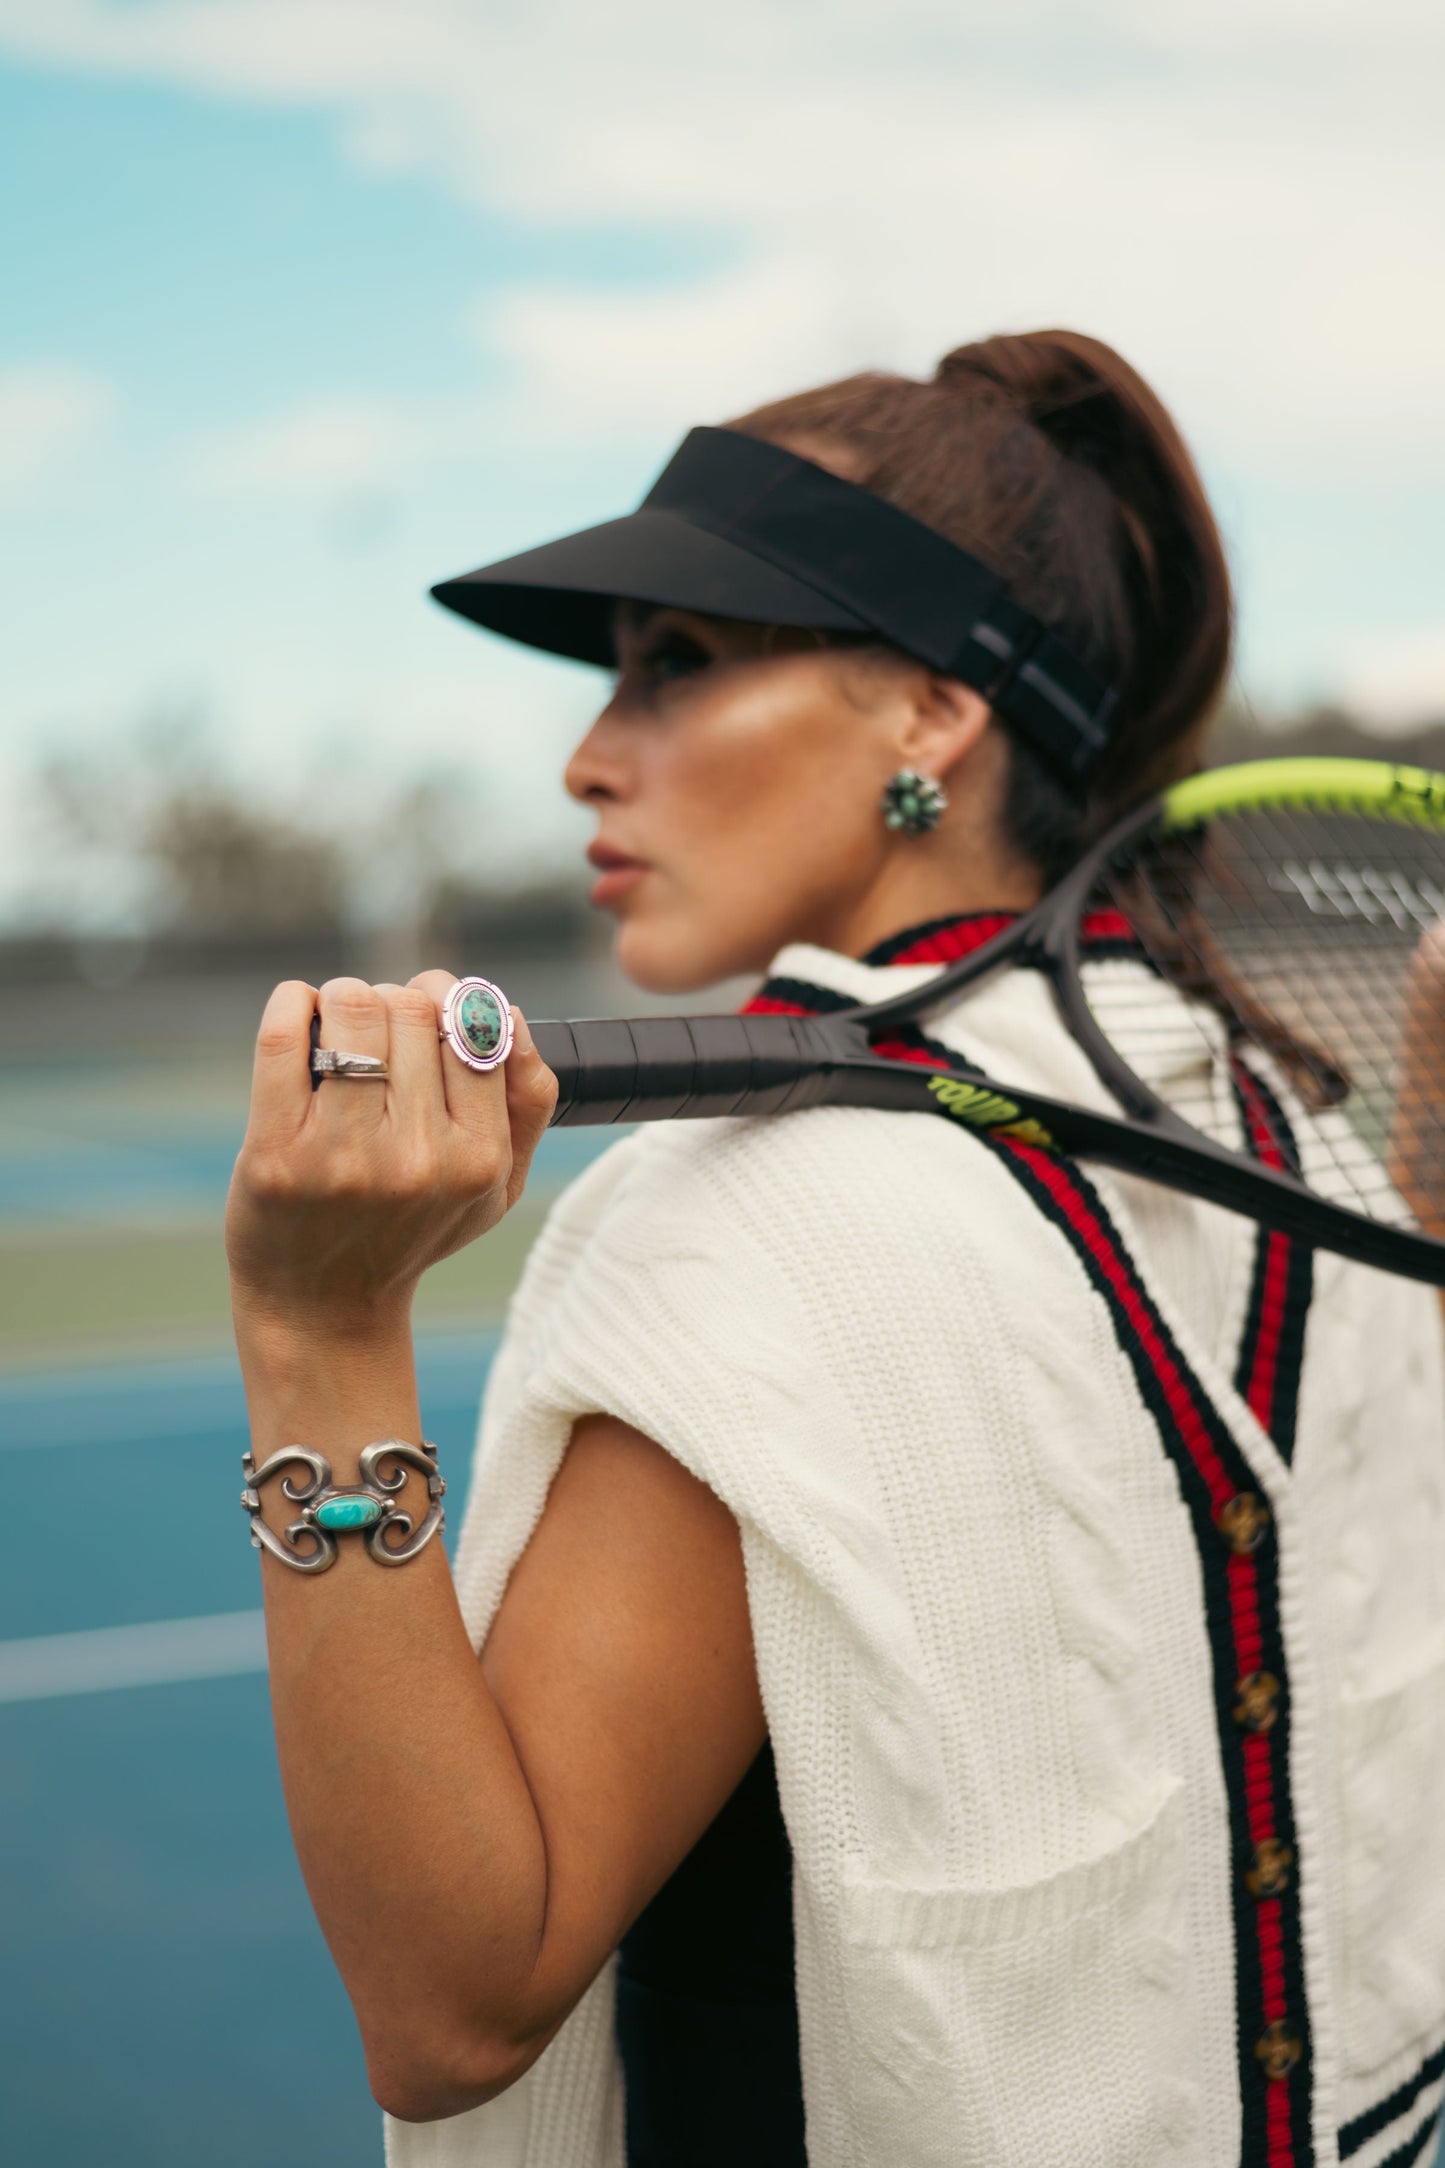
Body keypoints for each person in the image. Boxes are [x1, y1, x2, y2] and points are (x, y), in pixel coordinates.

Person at [225, 331, 1445, 2168]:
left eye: (678, 664)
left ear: (930, 715)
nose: (583, 757)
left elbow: (454, 2005)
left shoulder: (749, 1225)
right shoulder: (1274, 1131)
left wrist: (317, 1329)